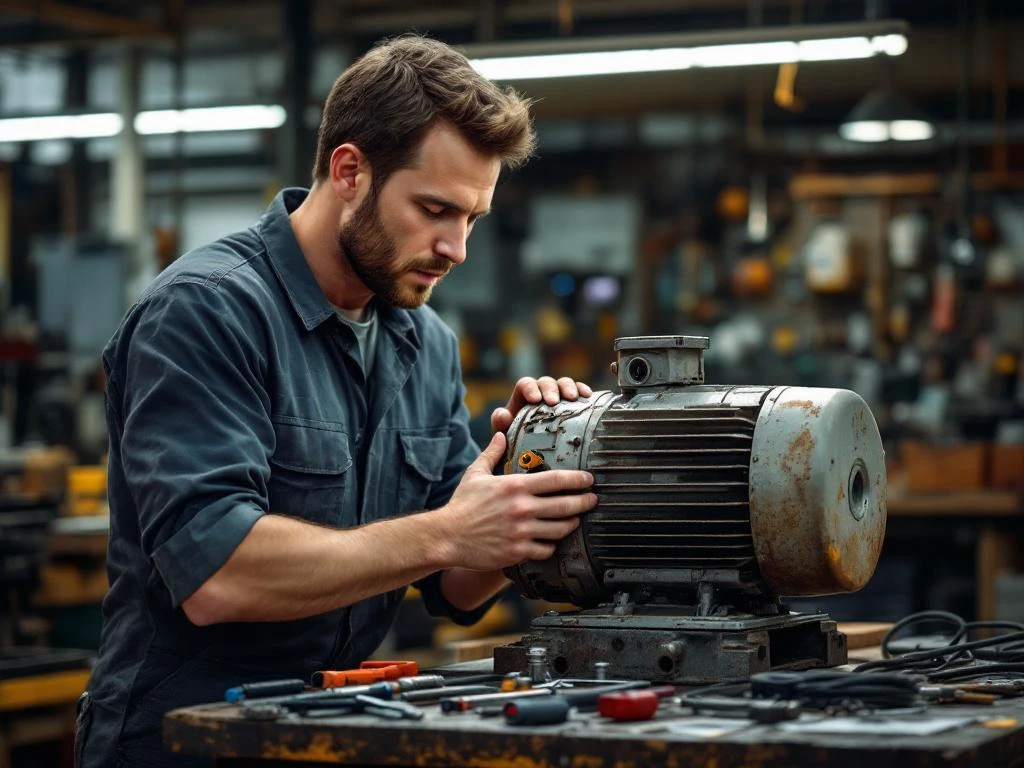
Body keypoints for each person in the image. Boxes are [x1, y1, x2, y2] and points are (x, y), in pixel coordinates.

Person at [78, 34, 598, 768]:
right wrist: (448, 531)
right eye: (435, 209)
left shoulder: (425, 342)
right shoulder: (206, 311)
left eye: (472, 218)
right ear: (350, 171)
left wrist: (524, 472)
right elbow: (217, 574)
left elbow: (456, 586)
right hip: (181, 743)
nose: (456, 248)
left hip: (335, 729)